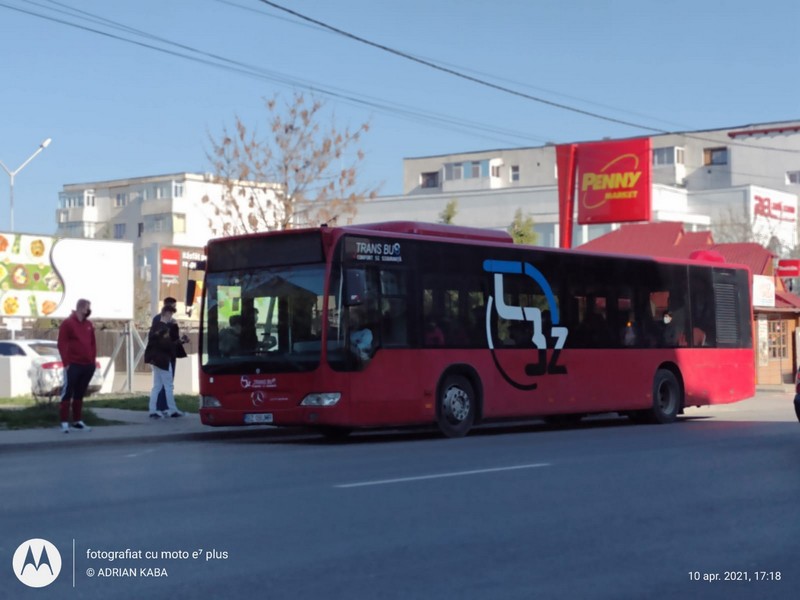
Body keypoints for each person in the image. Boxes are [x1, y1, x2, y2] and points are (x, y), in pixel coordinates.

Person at [57, 298, 97, 433]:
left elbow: (92, 344)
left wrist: (92, 361)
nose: (89, 310)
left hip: (87, 365)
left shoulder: (89, 324)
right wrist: (66, 363)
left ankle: (77, 421)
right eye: (87, 308)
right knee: (67, 392)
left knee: (80, 393)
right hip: (73, 364)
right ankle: (64, 422)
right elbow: (62, 343)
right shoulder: (68, 323)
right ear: (80, 308)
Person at [144, 303, 185, 419]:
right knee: (168, 386)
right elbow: (167, 346)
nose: (171, 317)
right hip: (163, 360)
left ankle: (152, 410)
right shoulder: (164, 328)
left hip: (155, 360)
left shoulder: (155, 327)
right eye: (171, 314)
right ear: (167, 313)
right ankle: (172, 410)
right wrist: (180, 342)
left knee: (157, 386)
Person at [152, 297, 188, 413]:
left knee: (160, 384)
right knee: (166, 384)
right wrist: (181, 341)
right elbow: (168, 341)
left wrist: (181, 340)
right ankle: (166, 408)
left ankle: (157, 409)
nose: (174, 309)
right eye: (173, 306)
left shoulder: (161, 320)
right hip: (165, 356)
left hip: (163, 355)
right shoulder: (165, 321)